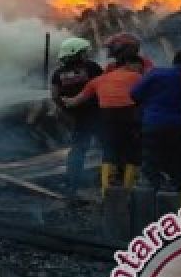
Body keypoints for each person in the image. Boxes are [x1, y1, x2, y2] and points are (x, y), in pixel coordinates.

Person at [65, 46, 146, 195]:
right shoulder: (137, 77)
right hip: (130, 115)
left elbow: (74, 101)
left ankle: (105, 191)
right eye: (138, 67)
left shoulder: (98, 80)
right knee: (133, 152)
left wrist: (62, 100)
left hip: (107, 116)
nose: (140, 70)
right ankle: (128, 190)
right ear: (129, 64)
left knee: (110, 151)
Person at [131, 48, 181, 190]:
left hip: (152, 123)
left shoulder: (156, 73)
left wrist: (149, 103)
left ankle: (153, 197)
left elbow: (134, 93)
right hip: (178, 126)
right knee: (176, 161)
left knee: (150, 162)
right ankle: (176, 197)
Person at [50, 37, 103, 198]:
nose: (86, 54)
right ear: (76, 53)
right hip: (98, 113)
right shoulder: (91, 67)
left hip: (78, 117)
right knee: (108, 147)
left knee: (78, 150)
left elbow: (55, 96)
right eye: (83, 52)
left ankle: (72, 183)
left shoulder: (57, 74)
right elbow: (103, 85)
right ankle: (109, 180)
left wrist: (66, 111)